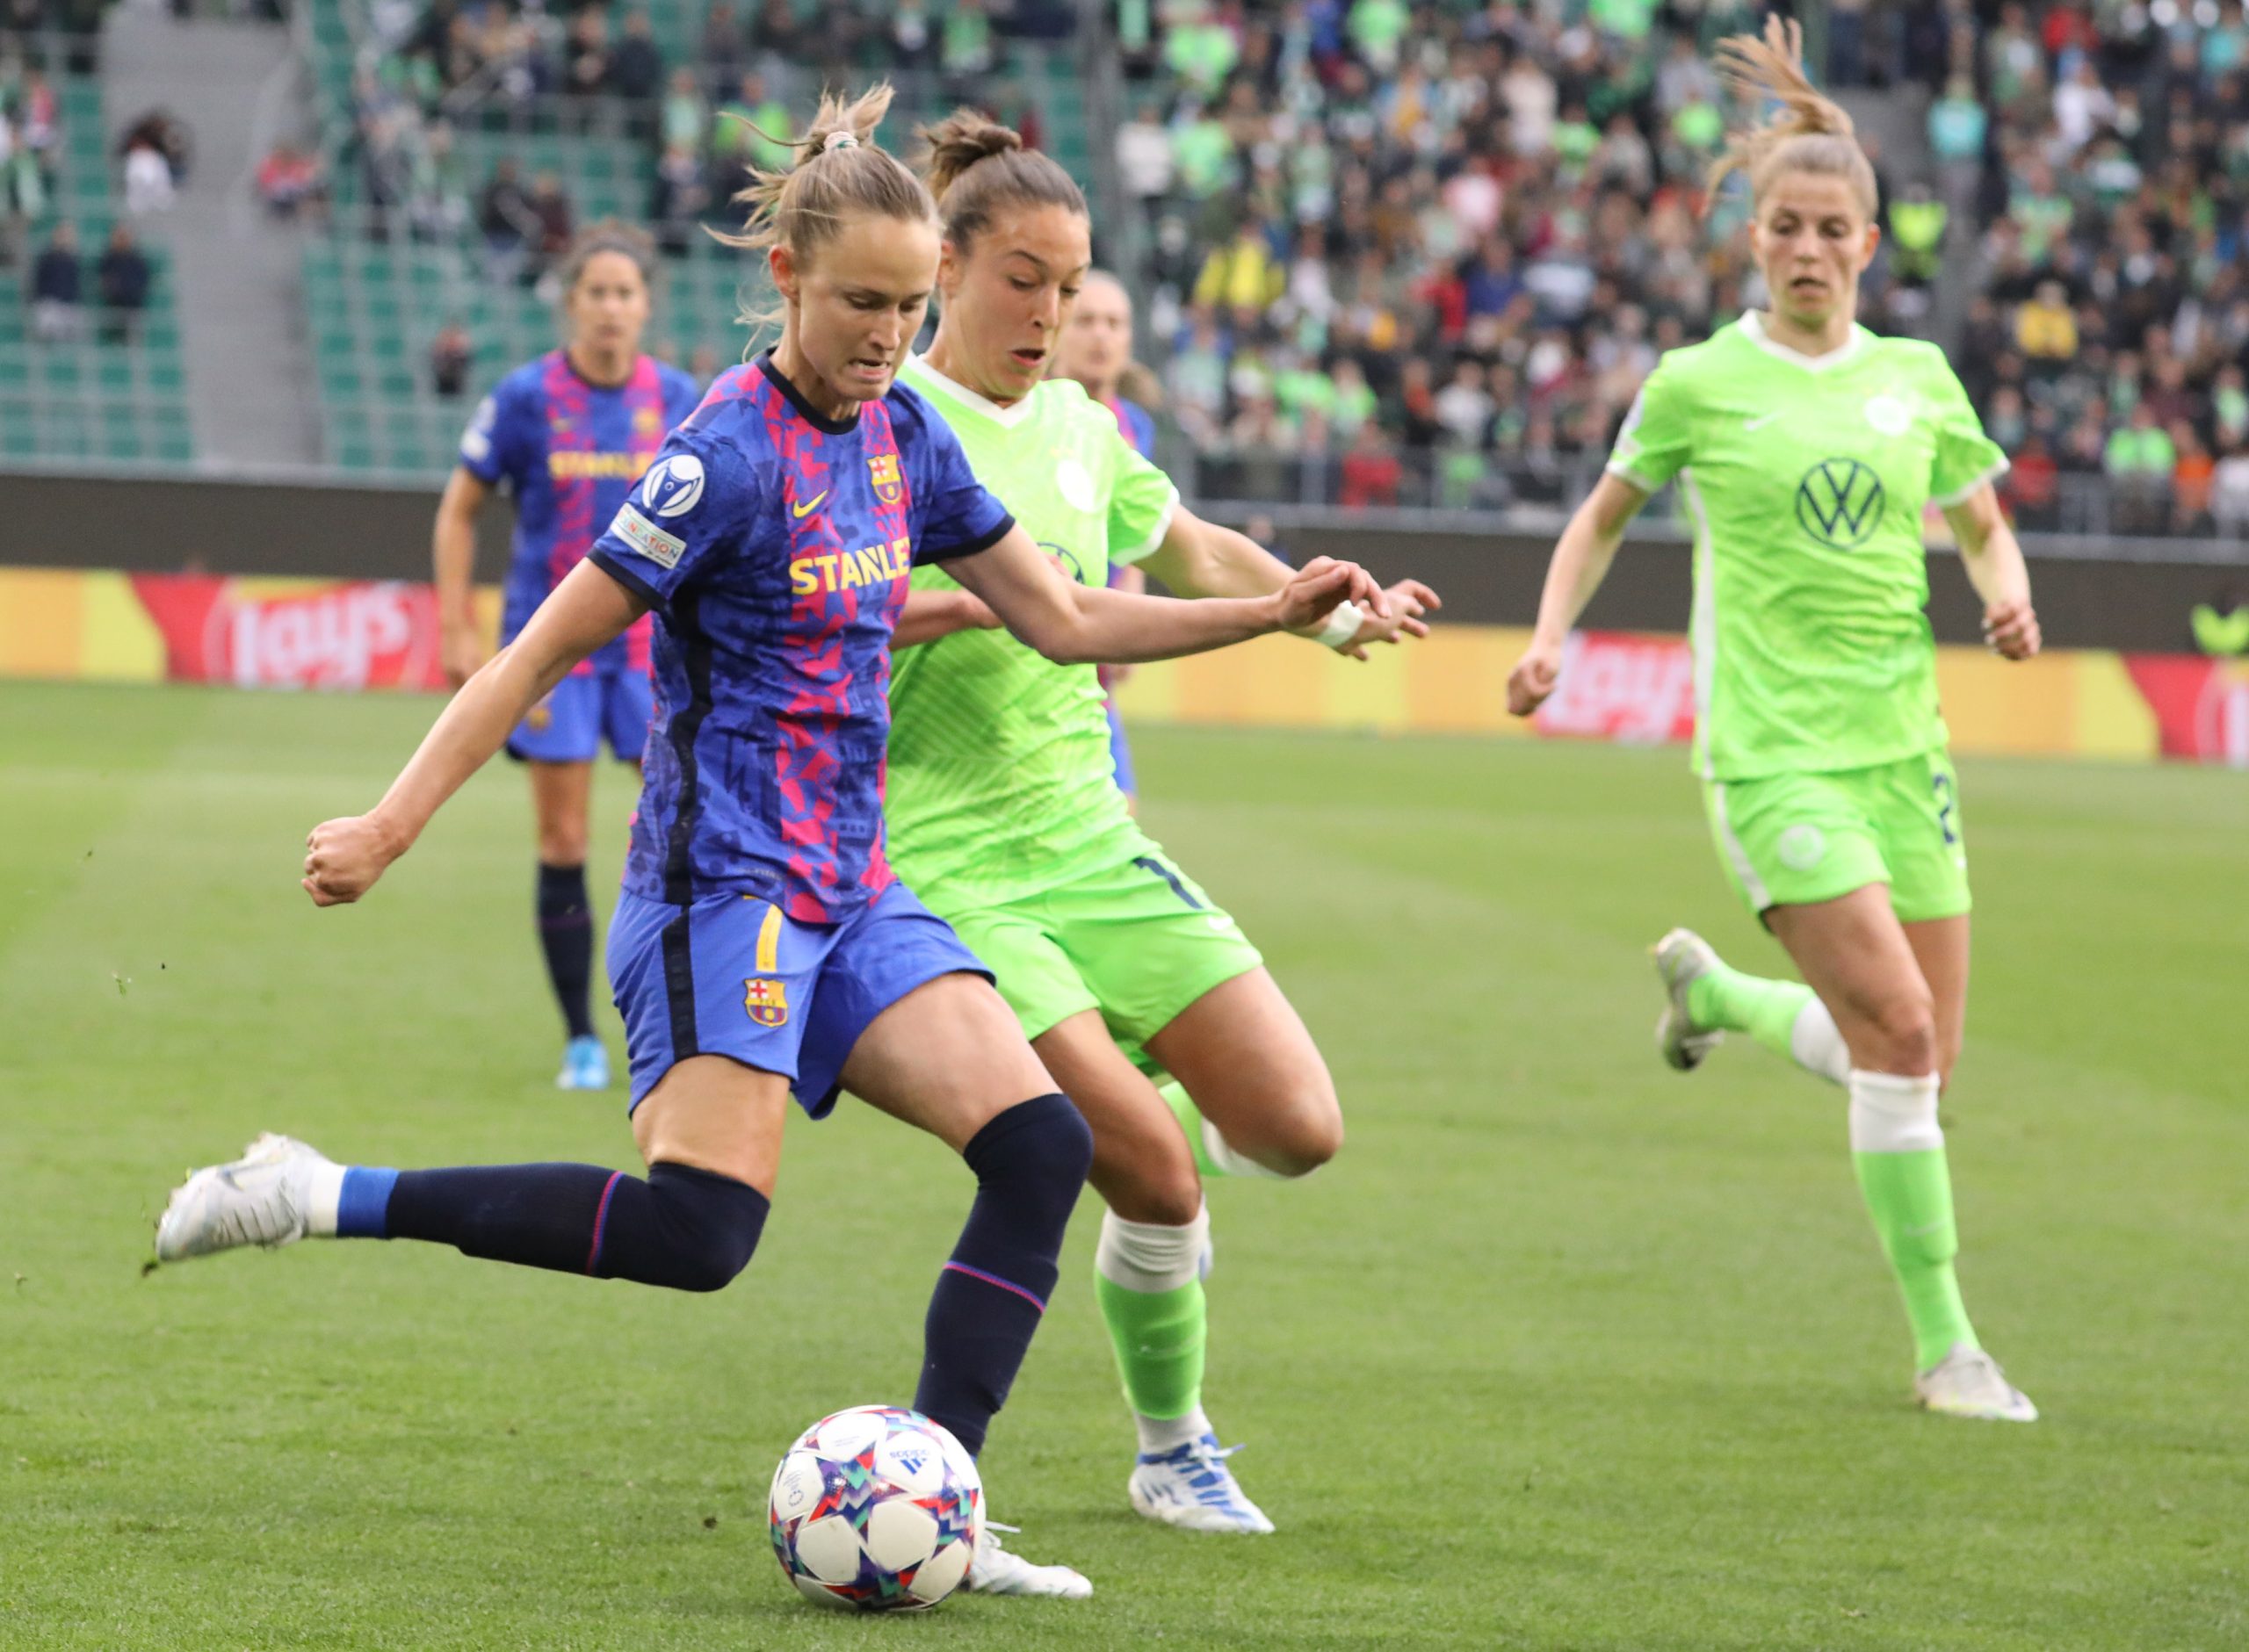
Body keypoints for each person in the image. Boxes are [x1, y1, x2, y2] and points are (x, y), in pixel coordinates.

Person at [152, 86, 1389, 1600]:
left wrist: (1264, 609)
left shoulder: (907, 442)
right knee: (705, 1231)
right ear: (791, 281)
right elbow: (535, 656)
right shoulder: (720, 458)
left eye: (908, 305)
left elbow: (1064, 620)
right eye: (862, 303)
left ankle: (943, 1502)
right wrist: (391, 823)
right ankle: (321, 1189)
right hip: (717, 892)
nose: (886, 335)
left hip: (854, 887)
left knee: (1044, 1144)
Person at [886, 113, 1436, 1533]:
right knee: (1154, 1167)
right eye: (1022, 279)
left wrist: (1325, 613)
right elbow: (830, 608)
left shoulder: (1086, 427)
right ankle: (1171, 1445)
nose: (1050, 314)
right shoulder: (887, 424)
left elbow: (1192, 548)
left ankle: (1130, 1069)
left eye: (1068, 286)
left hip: (1092, 839)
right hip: (951, 865)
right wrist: (932, 611)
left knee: (1301, 1128)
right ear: (946, 266)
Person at [1505, 22, 2042, 1424]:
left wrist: (2008, 597)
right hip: (1770, 753)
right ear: (1754, 238)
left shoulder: (1919, 377)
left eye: (1833, 229)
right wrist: (1554, 636)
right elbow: (1599, 520)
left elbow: (1983, 525)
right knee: (1903, 1030)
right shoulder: (1698, 383)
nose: (1809, 249)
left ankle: (1724, 1001)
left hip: (1905, 752)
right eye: (1786, 227)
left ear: (1871, 241)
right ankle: (1949, 1351)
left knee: (1917, 1060)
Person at [430, 223, 703, 1091]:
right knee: (565, 837)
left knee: (692, 827)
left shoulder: (683, 397)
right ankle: (583, 1038)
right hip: (553, 656)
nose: (613, 309)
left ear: (647, 305)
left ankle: (690, 1017)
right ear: (572, 302)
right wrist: (455, 627)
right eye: (598, 294)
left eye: (627, 294)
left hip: (653, 651)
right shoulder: (523, 397)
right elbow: (458, 509)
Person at [1049, 268, 1155, 805]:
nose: (1101, 335)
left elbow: (1138, 528)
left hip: (1099, 661)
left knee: (1121, 817)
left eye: (1115, 323)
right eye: (1087, 320)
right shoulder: (1034, 414)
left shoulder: (1135, 426)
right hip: (1046, 645)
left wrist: (1129, 599)